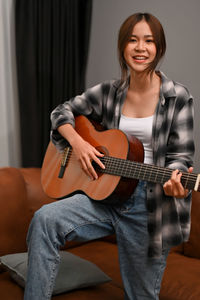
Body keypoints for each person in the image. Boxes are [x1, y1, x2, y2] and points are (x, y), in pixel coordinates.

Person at [24, 12, 195, 300]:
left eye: (149, 41)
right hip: (105, 194)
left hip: (149, 204)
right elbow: (61, 112)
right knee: (45, 219)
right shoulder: (108, 92)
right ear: (123, 47)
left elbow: (180, 157)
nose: (140, 48)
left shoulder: (178, 96)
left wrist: (175, 183)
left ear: (159, 48)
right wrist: (78, 143)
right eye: (132, 40)